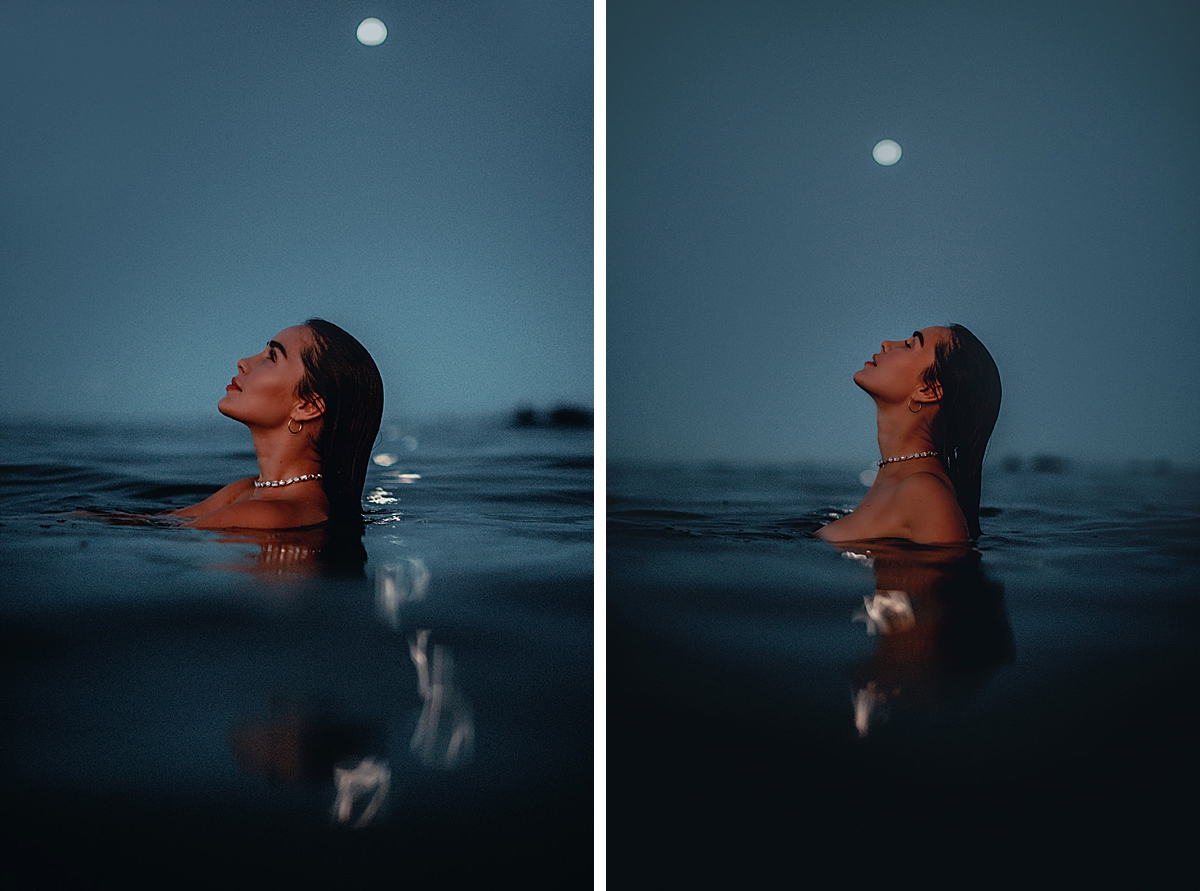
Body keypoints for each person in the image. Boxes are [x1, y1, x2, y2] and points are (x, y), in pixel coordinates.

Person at [171, 319, 384, 530]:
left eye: (272, 357)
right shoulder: (246, 490)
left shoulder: (265, 515)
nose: (243, 362)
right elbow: (161, 522)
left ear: (307, 406)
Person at [816, 324, 1001, 544]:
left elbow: (950, 577)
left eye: (909, 344)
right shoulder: (896, 481)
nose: (886, 344)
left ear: (928, 390)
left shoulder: (925, 493)